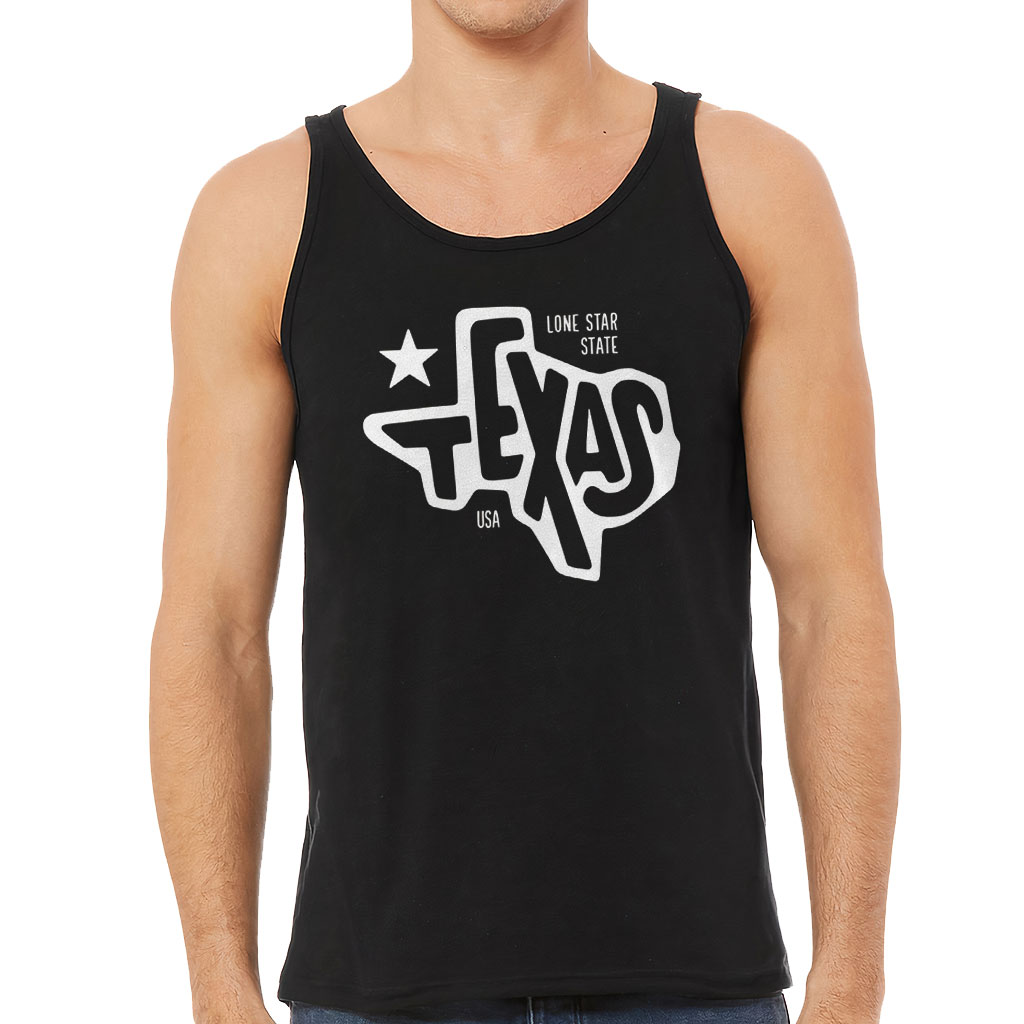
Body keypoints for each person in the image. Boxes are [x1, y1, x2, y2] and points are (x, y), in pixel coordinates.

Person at [150, 2, 901, 1024]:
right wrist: (216, 984)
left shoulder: (753, 190)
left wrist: (850, 980)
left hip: (696, 987)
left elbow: (829, 602)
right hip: (378, 990)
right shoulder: (263, 217)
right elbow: (214, 627)